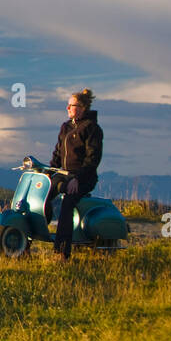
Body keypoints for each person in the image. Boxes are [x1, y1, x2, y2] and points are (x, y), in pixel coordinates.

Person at [48, 88, 103, 260]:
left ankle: (62, 252)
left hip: (84, 178)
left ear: (82, 107)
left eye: (71, 105)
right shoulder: (65, 127)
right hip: (63, 174)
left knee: (67, 203)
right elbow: (57, 154)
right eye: (68, 105)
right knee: (42, 195)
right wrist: (49, 173)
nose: (68, 108)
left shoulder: (92, 128)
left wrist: (77, 179)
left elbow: (92, 159)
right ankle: (30, 241)